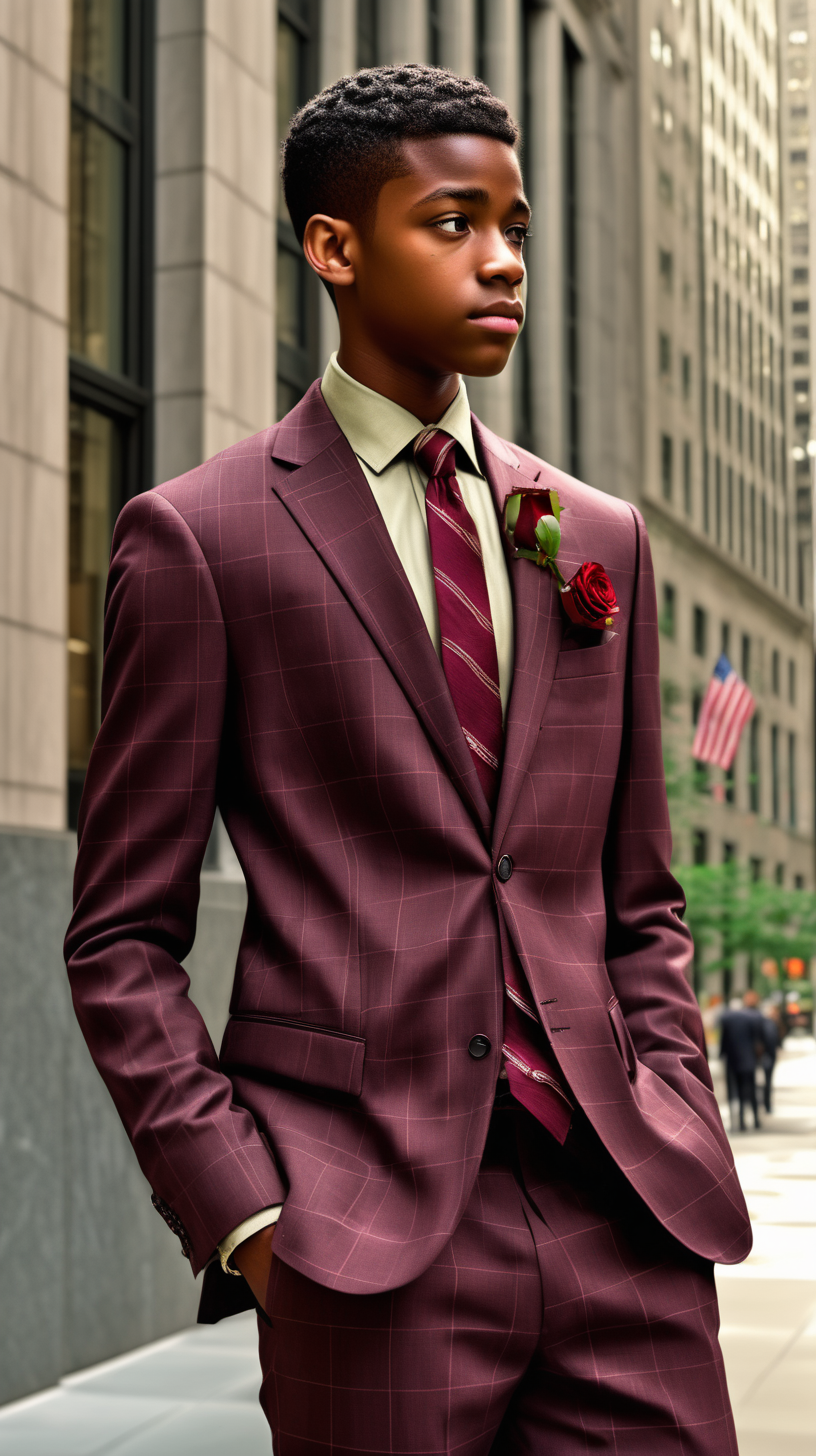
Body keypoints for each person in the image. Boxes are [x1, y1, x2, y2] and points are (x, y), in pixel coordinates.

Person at [65, 65, 750, 1454]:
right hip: (362, 1238)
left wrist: (674, 1105)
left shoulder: (595, 538)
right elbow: (121, 937)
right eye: (453, 221)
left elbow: (641, 895)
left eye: (514, 222)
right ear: (335, 247)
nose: (502, 257)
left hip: (624, 1215)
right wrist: (249, 1217)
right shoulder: (202, 539)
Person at [719, 989, 765, 1131]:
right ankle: (756, 1119)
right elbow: (757, 1040)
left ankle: (740, 1122)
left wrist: (722, 1055)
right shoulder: (752, 1018)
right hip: (749, 1060)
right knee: (751, 1090)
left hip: (732, 1060)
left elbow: (724, 1040)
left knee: (735, 1091)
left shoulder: (726, 1019)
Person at [760, 1002, 782, 1114]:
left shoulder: (769, 1023)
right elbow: (771, 1040)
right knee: (767, 1081)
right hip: (767, 1056)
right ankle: (766, 1104)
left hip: (766, 1055)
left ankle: (766, 1104)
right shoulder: (769, 1023)